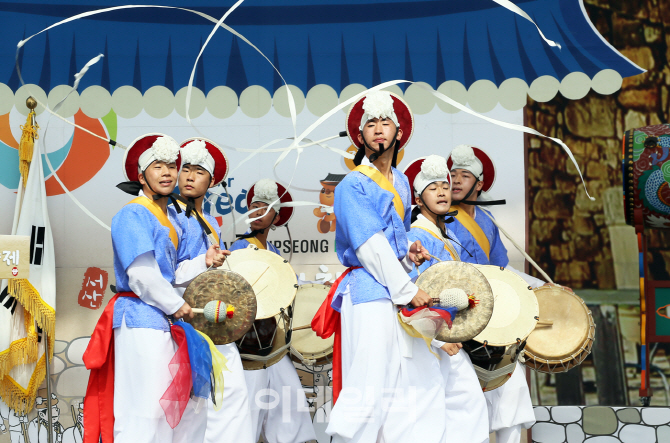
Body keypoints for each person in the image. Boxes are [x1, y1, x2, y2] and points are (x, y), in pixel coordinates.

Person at [314, 90, 445, 443]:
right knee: (369, 381)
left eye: (385, 122)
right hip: (371, 290)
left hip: (396, 289)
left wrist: (408, 254)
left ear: (398, 132)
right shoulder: (353, 184)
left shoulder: (401, 181)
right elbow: (369, 246)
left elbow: (391, 242)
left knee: (405, 380)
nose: (377, 129)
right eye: (370, 123)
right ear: (360, 136)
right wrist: (408, 290)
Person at [83, 134, 225, 443]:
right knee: (143, 411)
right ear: (140, 174)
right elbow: (141, 275)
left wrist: (205, 261)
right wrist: (176, 305)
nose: (167, 173)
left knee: (165, 410)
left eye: (171, 166)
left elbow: (170, 275)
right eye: (157, 166)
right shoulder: (132, 213)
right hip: (138, 316)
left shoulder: (169, 220)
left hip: (161, 320)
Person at [447, 144, 541, 443]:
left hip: (491, 317)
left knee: (511, 388)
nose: (456, 180)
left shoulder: (486, 219)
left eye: (464, 175)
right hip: (457, 318)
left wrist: (541, 287)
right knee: (462, 399)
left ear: (480, 183)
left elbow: (502, 271)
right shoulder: (440, 218)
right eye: (452, 175)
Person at [173, 137, 254, 443]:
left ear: (212, 181)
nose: (190, 176)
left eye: (199, 172)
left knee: (230, 393)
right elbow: (167, 276)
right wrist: (203, 261)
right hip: (181, 322)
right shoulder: (168, 217)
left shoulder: (210, 224)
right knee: (197, 404)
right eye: (185, 169)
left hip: (211, 322)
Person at [404, 155, 490, 443]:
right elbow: (413, 293)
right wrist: (437, 337)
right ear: (418, 199)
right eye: (433, 187)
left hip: (448, 333)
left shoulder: (447, 235)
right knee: (449, 408)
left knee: (459, 408)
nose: (441, 191)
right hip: (431, 337)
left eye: (445, 185)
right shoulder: (417, 237)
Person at [229, 178, 317, 443]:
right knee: (249, 408)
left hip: (273, 343)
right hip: (246, 346)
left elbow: (289, 289)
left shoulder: (276, 253)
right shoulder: (238, 249)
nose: (258, 213)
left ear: (276, 217)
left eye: (265, 208)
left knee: (290, 399)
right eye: (254, 206)